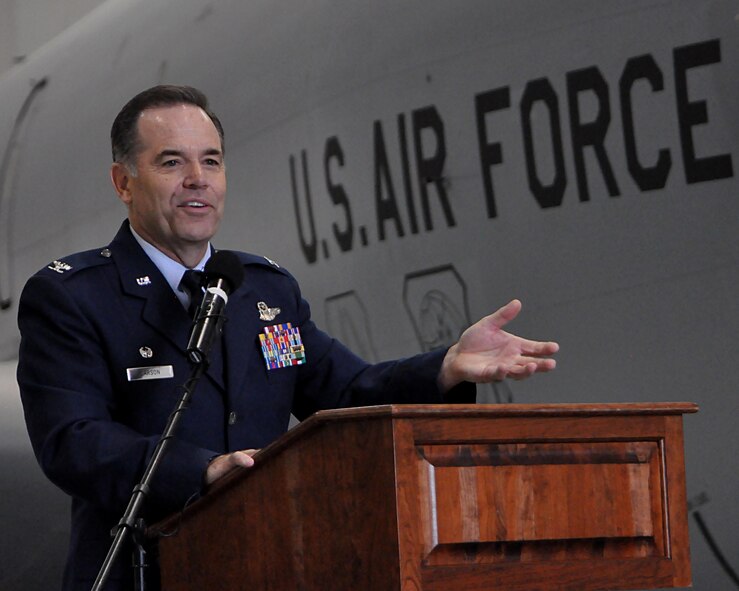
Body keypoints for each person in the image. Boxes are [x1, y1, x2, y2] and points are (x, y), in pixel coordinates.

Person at [17, 85, 558, 591]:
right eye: (171, 162)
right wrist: (201, 472)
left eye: (211, 160)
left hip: (269, 567)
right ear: (123, 182)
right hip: (143, 573)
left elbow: (347, 394)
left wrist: (447, 368)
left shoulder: (261, 291)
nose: (197, 179)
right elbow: (72, 441)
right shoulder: (73, 297)